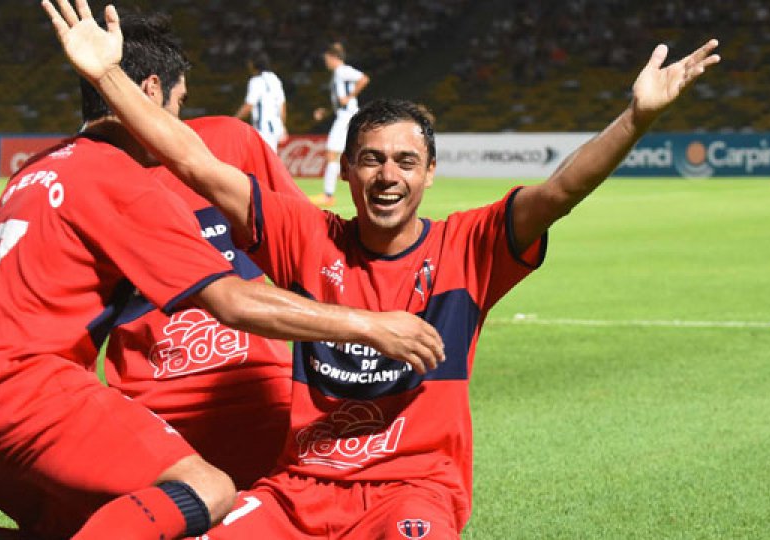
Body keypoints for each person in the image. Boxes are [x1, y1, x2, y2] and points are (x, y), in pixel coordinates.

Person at [44, 3, 719, 537]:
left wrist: (635, 119)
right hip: (298, 491)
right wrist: (108, 78)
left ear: (429, 174)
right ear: (347, 170)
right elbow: (193, 161)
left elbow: (558, 193)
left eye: (403, 161)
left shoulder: (471, 247)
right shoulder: (306, 236)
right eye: (370, 159)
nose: (386, 175)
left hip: (412, 493)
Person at [0, 7, 445, 540]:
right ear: (150, 93)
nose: (177, 127)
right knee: (209, 491)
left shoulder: (36, 170)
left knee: (132, 518)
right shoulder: (121, 177)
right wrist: (370, 325)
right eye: (178, 106)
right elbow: (231, 302)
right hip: (32, 395)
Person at [104, 115, 305, 491]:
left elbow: (304, 250)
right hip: (163, 414)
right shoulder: (229, 140)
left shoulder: (231, 140)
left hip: (248, 400)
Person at [309, 42, 369, 207]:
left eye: (327, 59)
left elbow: (363, 79)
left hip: (347, 116)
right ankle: (332, 193)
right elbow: (340, 101)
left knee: (333, 152)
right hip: (343, 115)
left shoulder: (343, 71)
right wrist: (326, 111)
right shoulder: (337, 73)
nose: (326, 62)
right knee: (348, 154)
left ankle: (328, 195)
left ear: (334, 58)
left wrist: (349, 97)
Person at [234, 52, 287, 152]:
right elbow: (282, 105)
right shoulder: (275, 79)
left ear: (253, 64)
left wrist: (234, 119)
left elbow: (248, 106)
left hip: (263, 130)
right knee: (270, 160)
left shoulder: (256, 81)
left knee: (260, 162)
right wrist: (282, 125)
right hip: (275, 128)